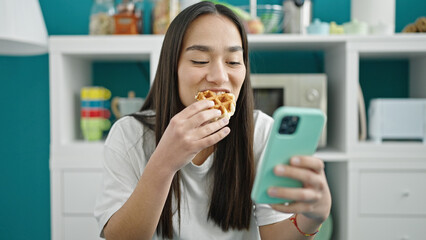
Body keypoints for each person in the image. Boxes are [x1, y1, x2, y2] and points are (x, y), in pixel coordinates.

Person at [94, 1, 332, 239]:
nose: (219, 77)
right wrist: (163, 164)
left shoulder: (260, 132)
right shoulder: (129, 135)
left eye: (233, 62)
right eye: (199, 60)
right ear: (172, 68)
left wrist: (312, 218)